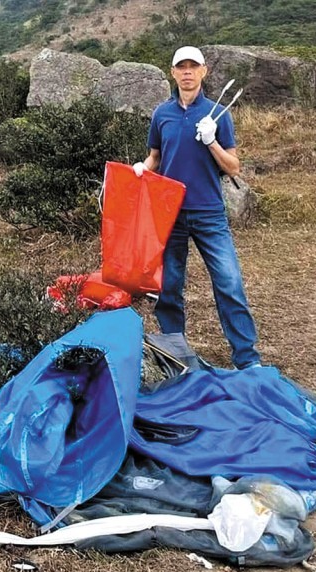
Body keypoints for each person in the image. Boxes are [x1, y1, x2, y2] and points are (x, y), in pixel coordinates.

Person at [132, 46, 262, 370]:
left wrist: (212, 140)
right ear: (173, 73)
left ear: (204, 71)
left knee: (229, 283)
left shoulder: (219, 114)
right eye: (181, 67)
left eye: (193, 66)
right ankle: (175, 356)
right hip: (170, 213)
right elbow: (156, 157)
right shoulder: (162, 114)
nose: (187, 72)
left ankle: (247, 360)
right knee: (169, 287)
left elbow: (233, 167)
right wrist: (141, 167)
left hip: (209, 212)